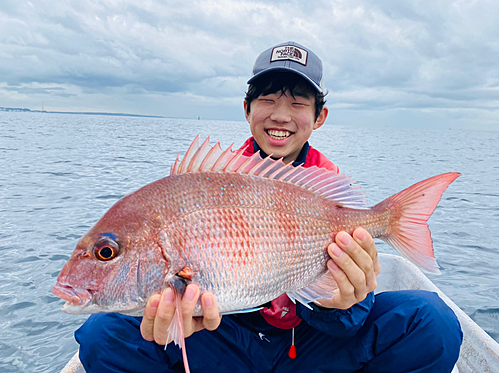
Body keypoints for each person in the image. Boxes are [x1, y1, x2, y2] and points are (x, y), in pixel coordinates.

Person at [75, 41, 463, 372]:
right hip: (221, 337)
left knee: (432, 322)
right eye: (267, 98)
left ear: (319, 117)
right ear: (246, 109)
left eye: (298, 101)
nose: (280, 114)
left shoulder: (327, 195)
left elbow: (347, 323)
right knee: (102, 333)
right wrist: (172, 318)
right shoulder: (200, 187)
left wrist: (343, 302)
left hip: (307, 343)